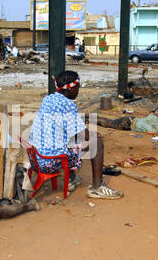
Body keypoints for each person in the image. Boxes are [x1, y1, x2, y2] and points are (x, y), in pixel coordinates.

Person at [29, 70, 123, 199]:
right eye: (77, 88)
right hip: (50, 163)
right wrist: (93, 135)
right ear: (70, 88)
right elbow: (85, 136)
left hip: (36, 158)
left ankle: (71, 180)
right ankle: (97, 187)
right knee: (96, 142)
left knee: (69, 138)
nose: (78, 91)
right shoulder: (68, 105)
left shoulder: (48, 99)